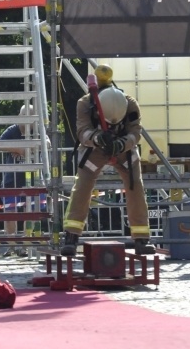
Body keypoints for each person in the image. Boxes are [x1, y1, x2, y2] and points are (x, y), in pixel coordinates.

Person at [61, 70, 156, 256]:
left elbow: (135, 132)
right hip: (95, 149)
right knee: (82, 186)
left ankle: (141, 238)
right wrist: (97, 138)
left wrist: (122, 143)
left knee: (135, 186)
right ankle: (71, 237)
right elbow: (82, 132)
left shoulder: (129, 104)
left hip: (124, 150)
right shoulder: (85, 104)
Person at [0, 104, 47, 254]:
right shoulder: (12, 130)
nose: (28, 125)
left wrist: (33, 147)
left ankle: (26, 244)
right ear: (20, 117)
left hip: (33, 180)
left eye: (31, 120)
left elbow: (48, 143)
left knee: (30, 212)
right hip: (11, 179)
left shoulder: (38, 130)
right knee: (10, 213)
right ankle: (12, 246)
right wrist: (17, 149)